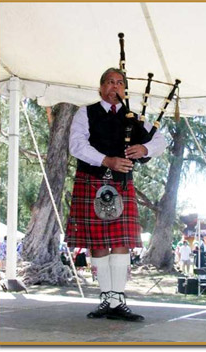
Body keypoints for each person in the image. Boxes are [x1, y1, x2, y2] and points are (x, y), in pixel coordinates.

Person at [65, 67, 167, 322]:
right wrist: (106, 160)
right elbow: (76, 145)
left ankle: (117, 301)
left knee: (121, 243)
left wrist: (144, 148)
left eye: (120, 83)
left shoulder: (133, 116)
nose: (115, 87)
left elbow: (161, 141)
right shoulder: (84, 113)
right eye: (110, 82)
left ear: (124, 89)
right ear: (101, 87)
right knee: (98, 244)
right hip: (91, 181)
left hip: (122, 184)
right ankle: (106, 300)